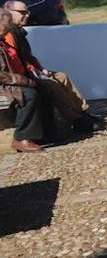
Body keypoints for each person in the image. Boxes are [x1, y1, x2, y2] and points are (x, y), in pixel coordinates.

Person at [2, 0, 105, 131]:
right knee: (52, 85)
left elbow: (28, 57)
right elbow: (16, 62)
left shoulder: (19, 33)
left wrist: (41, 69)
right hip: (21, 78)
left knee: (62, 76)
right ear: (9, 13)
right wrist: (36, 72)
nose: (27, 15)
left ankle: (83, 112)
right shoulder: (9, 35)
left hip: (29, 73)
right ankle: (75, 120)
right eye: (23, 12)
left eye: (28, 12)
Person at [0, 9, 55, 153]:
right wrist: (23, 80)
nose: (7, 29)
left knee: (43, 89)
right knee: (29, 95)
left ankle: (46, 134)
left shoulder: (2, 41)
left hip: (10, 81)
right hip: (4, 84)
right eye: (5, 25)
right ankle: (20, 138)